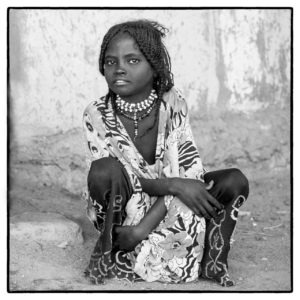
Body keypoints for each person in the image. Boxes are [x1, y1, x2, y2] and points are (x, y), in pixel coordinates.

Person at [82, 19, 249, 287]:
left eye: (133, 61)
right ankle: (113, 248)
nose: (119, 69)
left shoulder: (173, 102)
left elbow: (189, 174)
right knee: (104, 170)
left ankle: (212, 261)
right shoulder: (97, 113)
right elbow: (119, 180)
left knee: (233, 180)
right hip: (126, 207)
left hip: (171, 203)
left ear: (154, 67)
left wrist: (141, 231)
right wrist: (173, 185)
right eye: (110, 62)